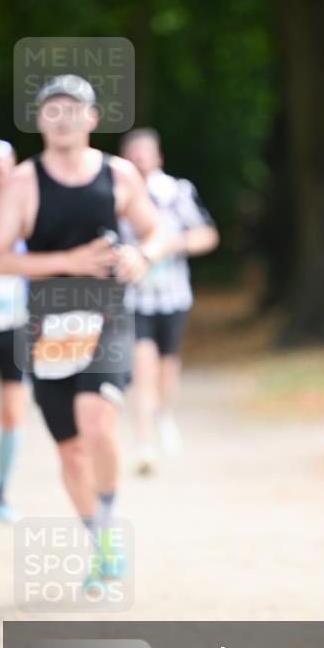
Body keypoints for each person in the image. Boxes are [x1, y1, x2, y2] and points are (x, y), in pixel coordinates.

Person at [0, 76, 160, 589]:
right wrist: (69, 261)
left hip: (107, 315)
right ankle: (99, 535)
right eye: (51, 110)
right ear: (39, 120)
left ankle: (106, 517)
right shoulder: (23, 182)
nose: (62, 118)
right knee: (69, 449)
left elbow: (154, 230)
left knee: (96, 419)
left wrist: (141, 254)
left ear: (92, 117)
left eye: (73, 108)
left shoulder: (119, 174)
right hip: (44, 329)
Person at [119, 128, 219, 474]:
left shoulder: (177, 192)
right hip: (134, 300)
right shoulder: (116, 196)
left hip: (173, 296)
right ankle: (144, 443)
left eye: (145, 153)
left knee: (166, 369)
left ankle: (162, 413)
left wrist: (171, 244)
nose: (139, 159)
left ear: (157, 158)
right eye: (133, 153)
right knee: (142, 368)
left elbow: (207, 235)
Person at [0, 139, 28, 522]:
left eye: (3, 167)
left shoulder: (26, 212)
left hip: (14, 325)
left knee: (14, 413)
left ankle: (2, 494)